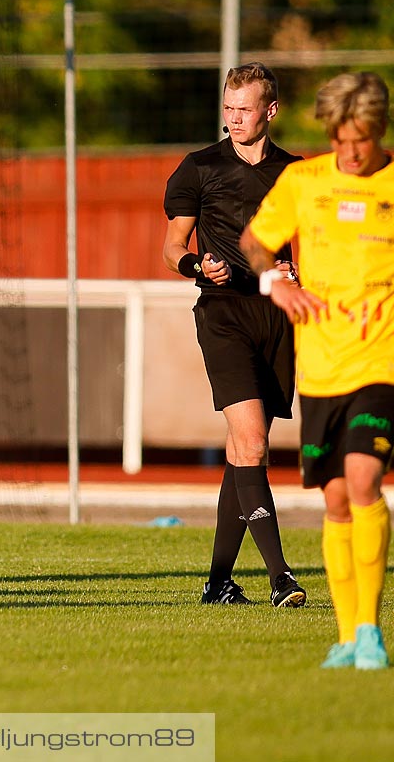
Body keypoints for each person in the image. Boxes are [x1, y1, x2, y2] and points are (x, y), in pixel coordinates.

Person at [243, 71, 394, 670]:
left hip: (381, 363)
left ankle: (369, 631)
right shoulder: (302, 180)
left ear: (381, 130)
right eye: (340, 140)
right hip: (319, 367)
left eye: (361, 141)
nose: (349, 152)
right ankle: (346, 637)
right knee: (338, 498)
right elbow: (254, 242)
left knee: (365, 480)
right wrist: (275, 284)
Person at [161, 62, 305, 608]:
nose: (234, 119)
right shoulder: (198, 168)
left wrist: (299, 276)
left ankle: (219, 582)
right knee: (253, 443)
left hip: (274, 317)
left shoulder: (297, 175)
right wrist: (197, 266)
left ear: (270, 111)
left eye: (244, 109)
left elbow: (312, 248)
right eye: (228, 108)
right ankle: (280, 577)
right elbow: (172, 247)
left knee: (241, 454)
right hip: (222, 313)